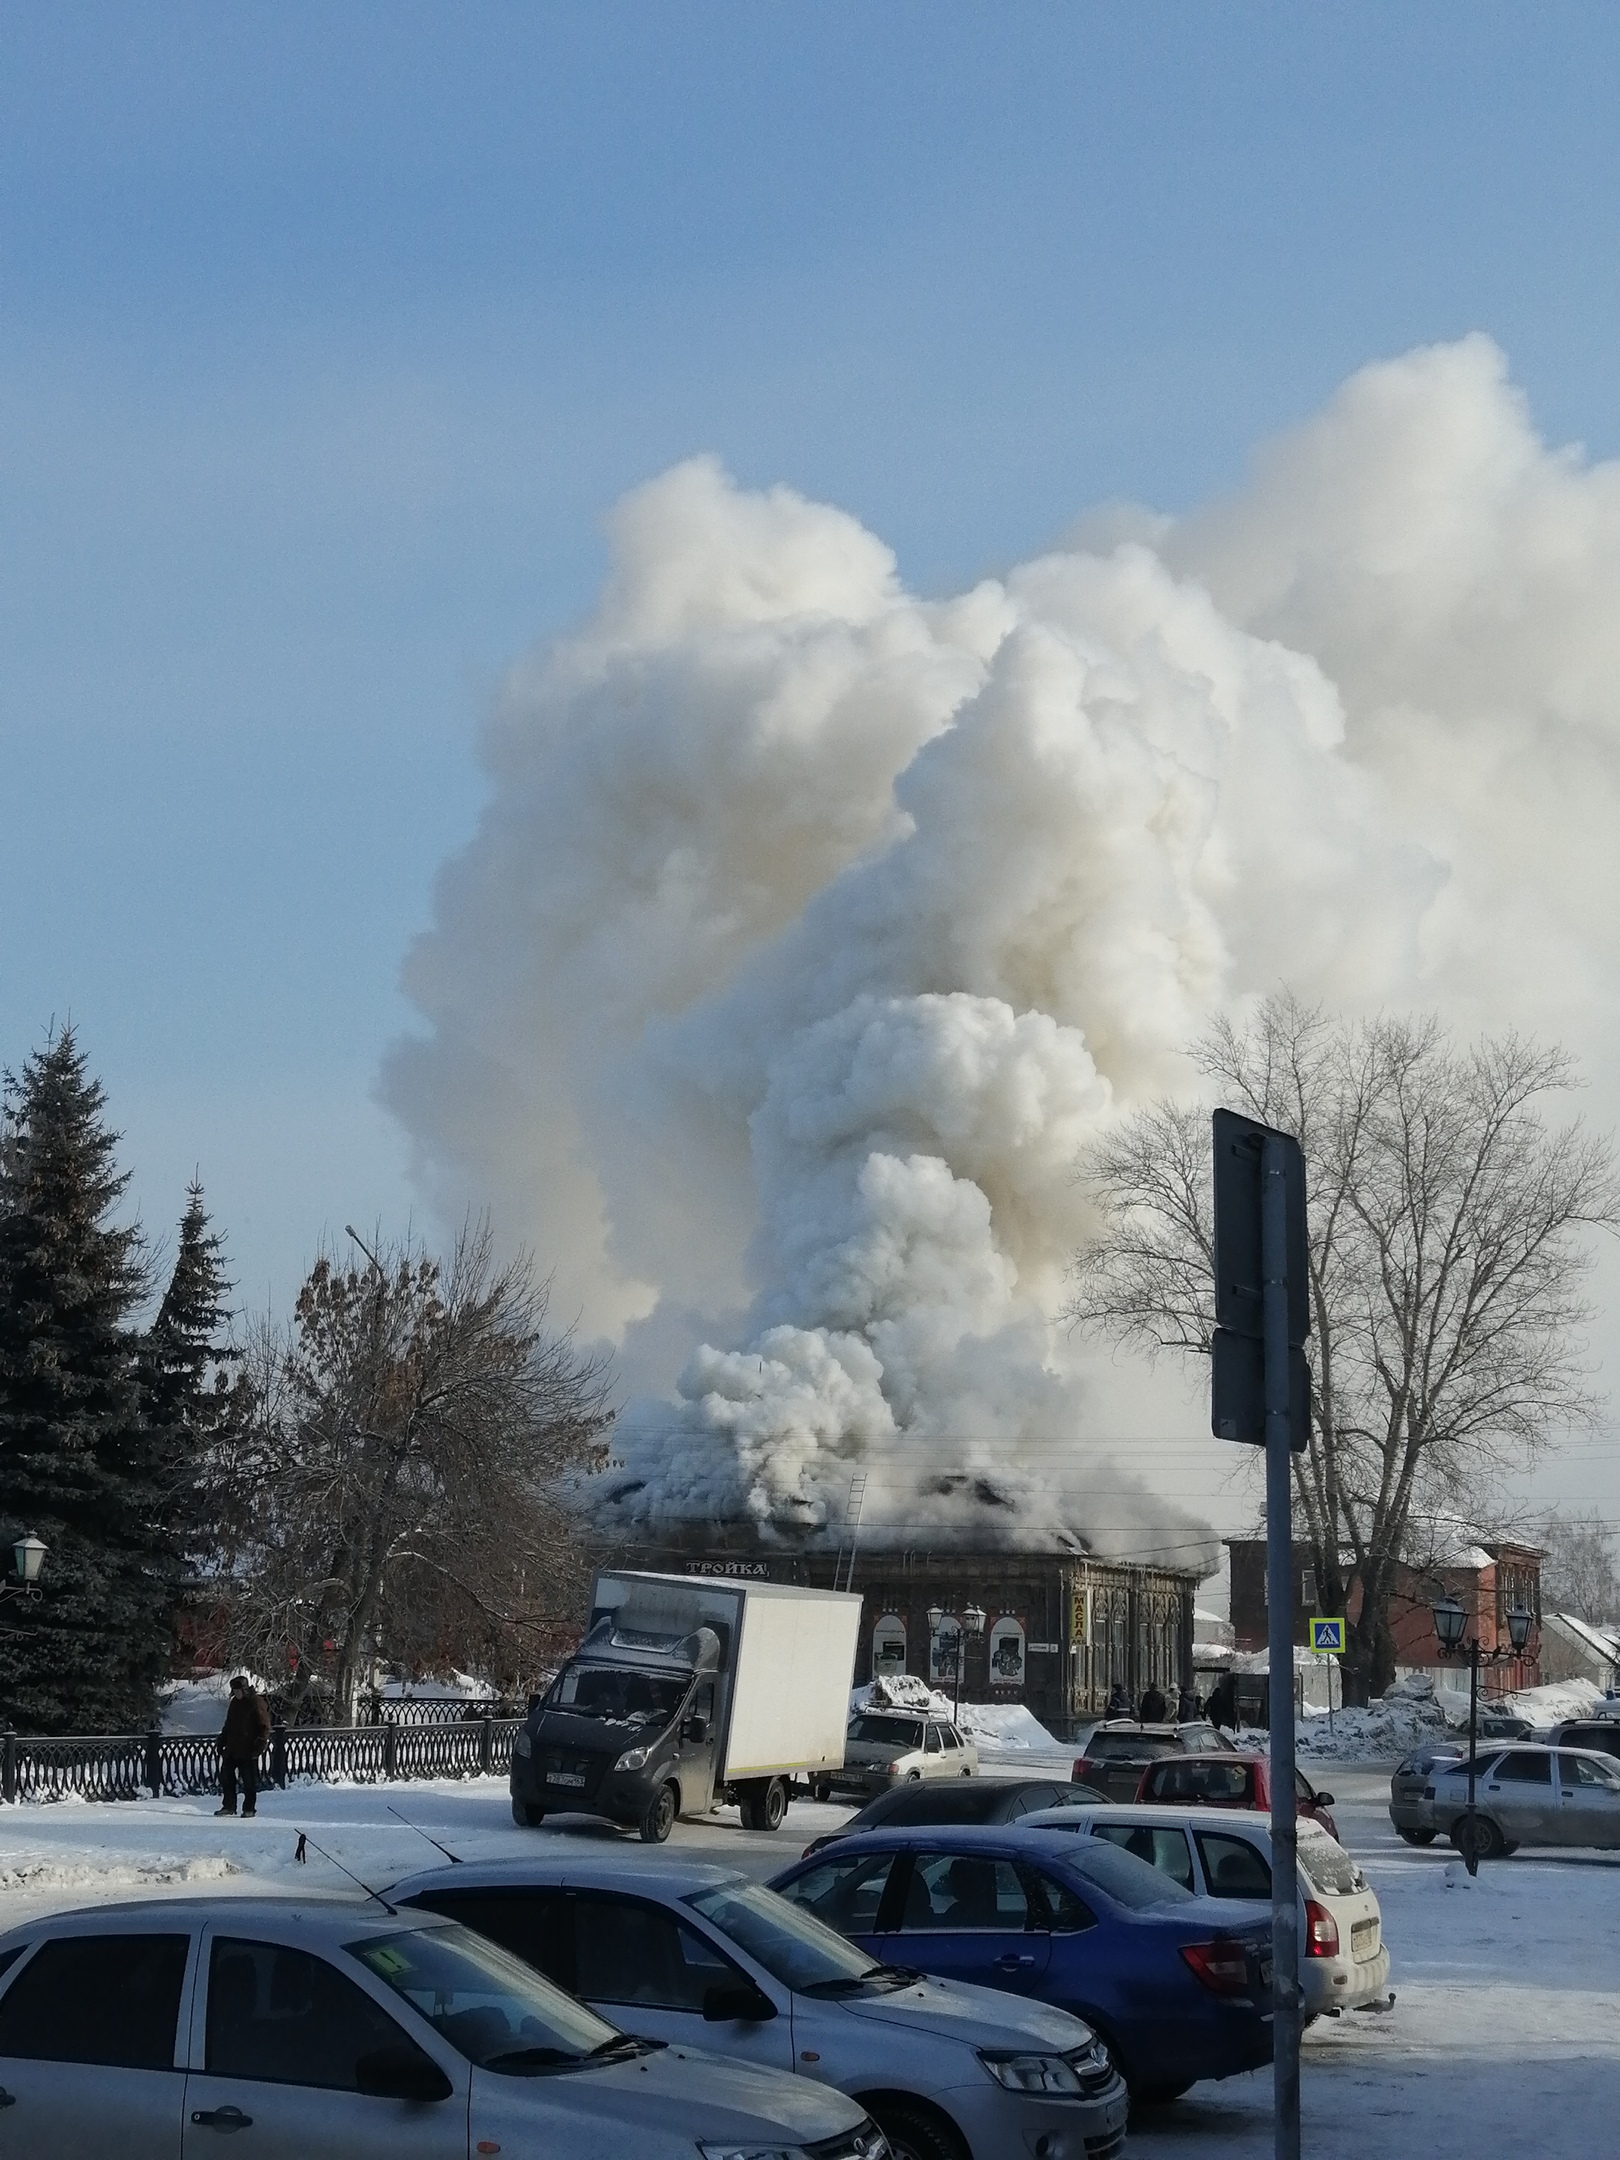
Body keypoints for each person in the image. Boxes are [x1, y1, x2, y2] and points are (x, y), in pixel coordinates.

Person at [217, 1673, 271, 1817]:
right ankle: (229, 1806)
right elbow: (229, 1724)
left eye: (238, 1690)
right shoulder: (235, 1703)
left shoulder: (256, 1703)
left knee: (248, 1781)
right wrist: (221, 1740)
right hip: (232, 1748)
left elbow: (264, 1727)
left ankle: (249, 1808)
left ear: (245, 1689)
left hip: (248, 1749)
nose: (236, 1693)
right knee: (226, 1776)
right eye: (234, 1691)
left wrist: (259, 1746)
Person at [1206, 1670, 1237, 1737]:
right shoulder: (1221, 1699)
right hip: (1219, 1715)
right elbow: (1225, 1707)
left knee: (1214, 1723)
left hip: (1213, 1714)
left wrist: (1206, 1713)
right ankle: (1217, 1732)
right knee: (1218, 1724)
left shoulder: (1212, 1698)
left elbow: (1207, 1705)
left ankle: (1215, 1732)